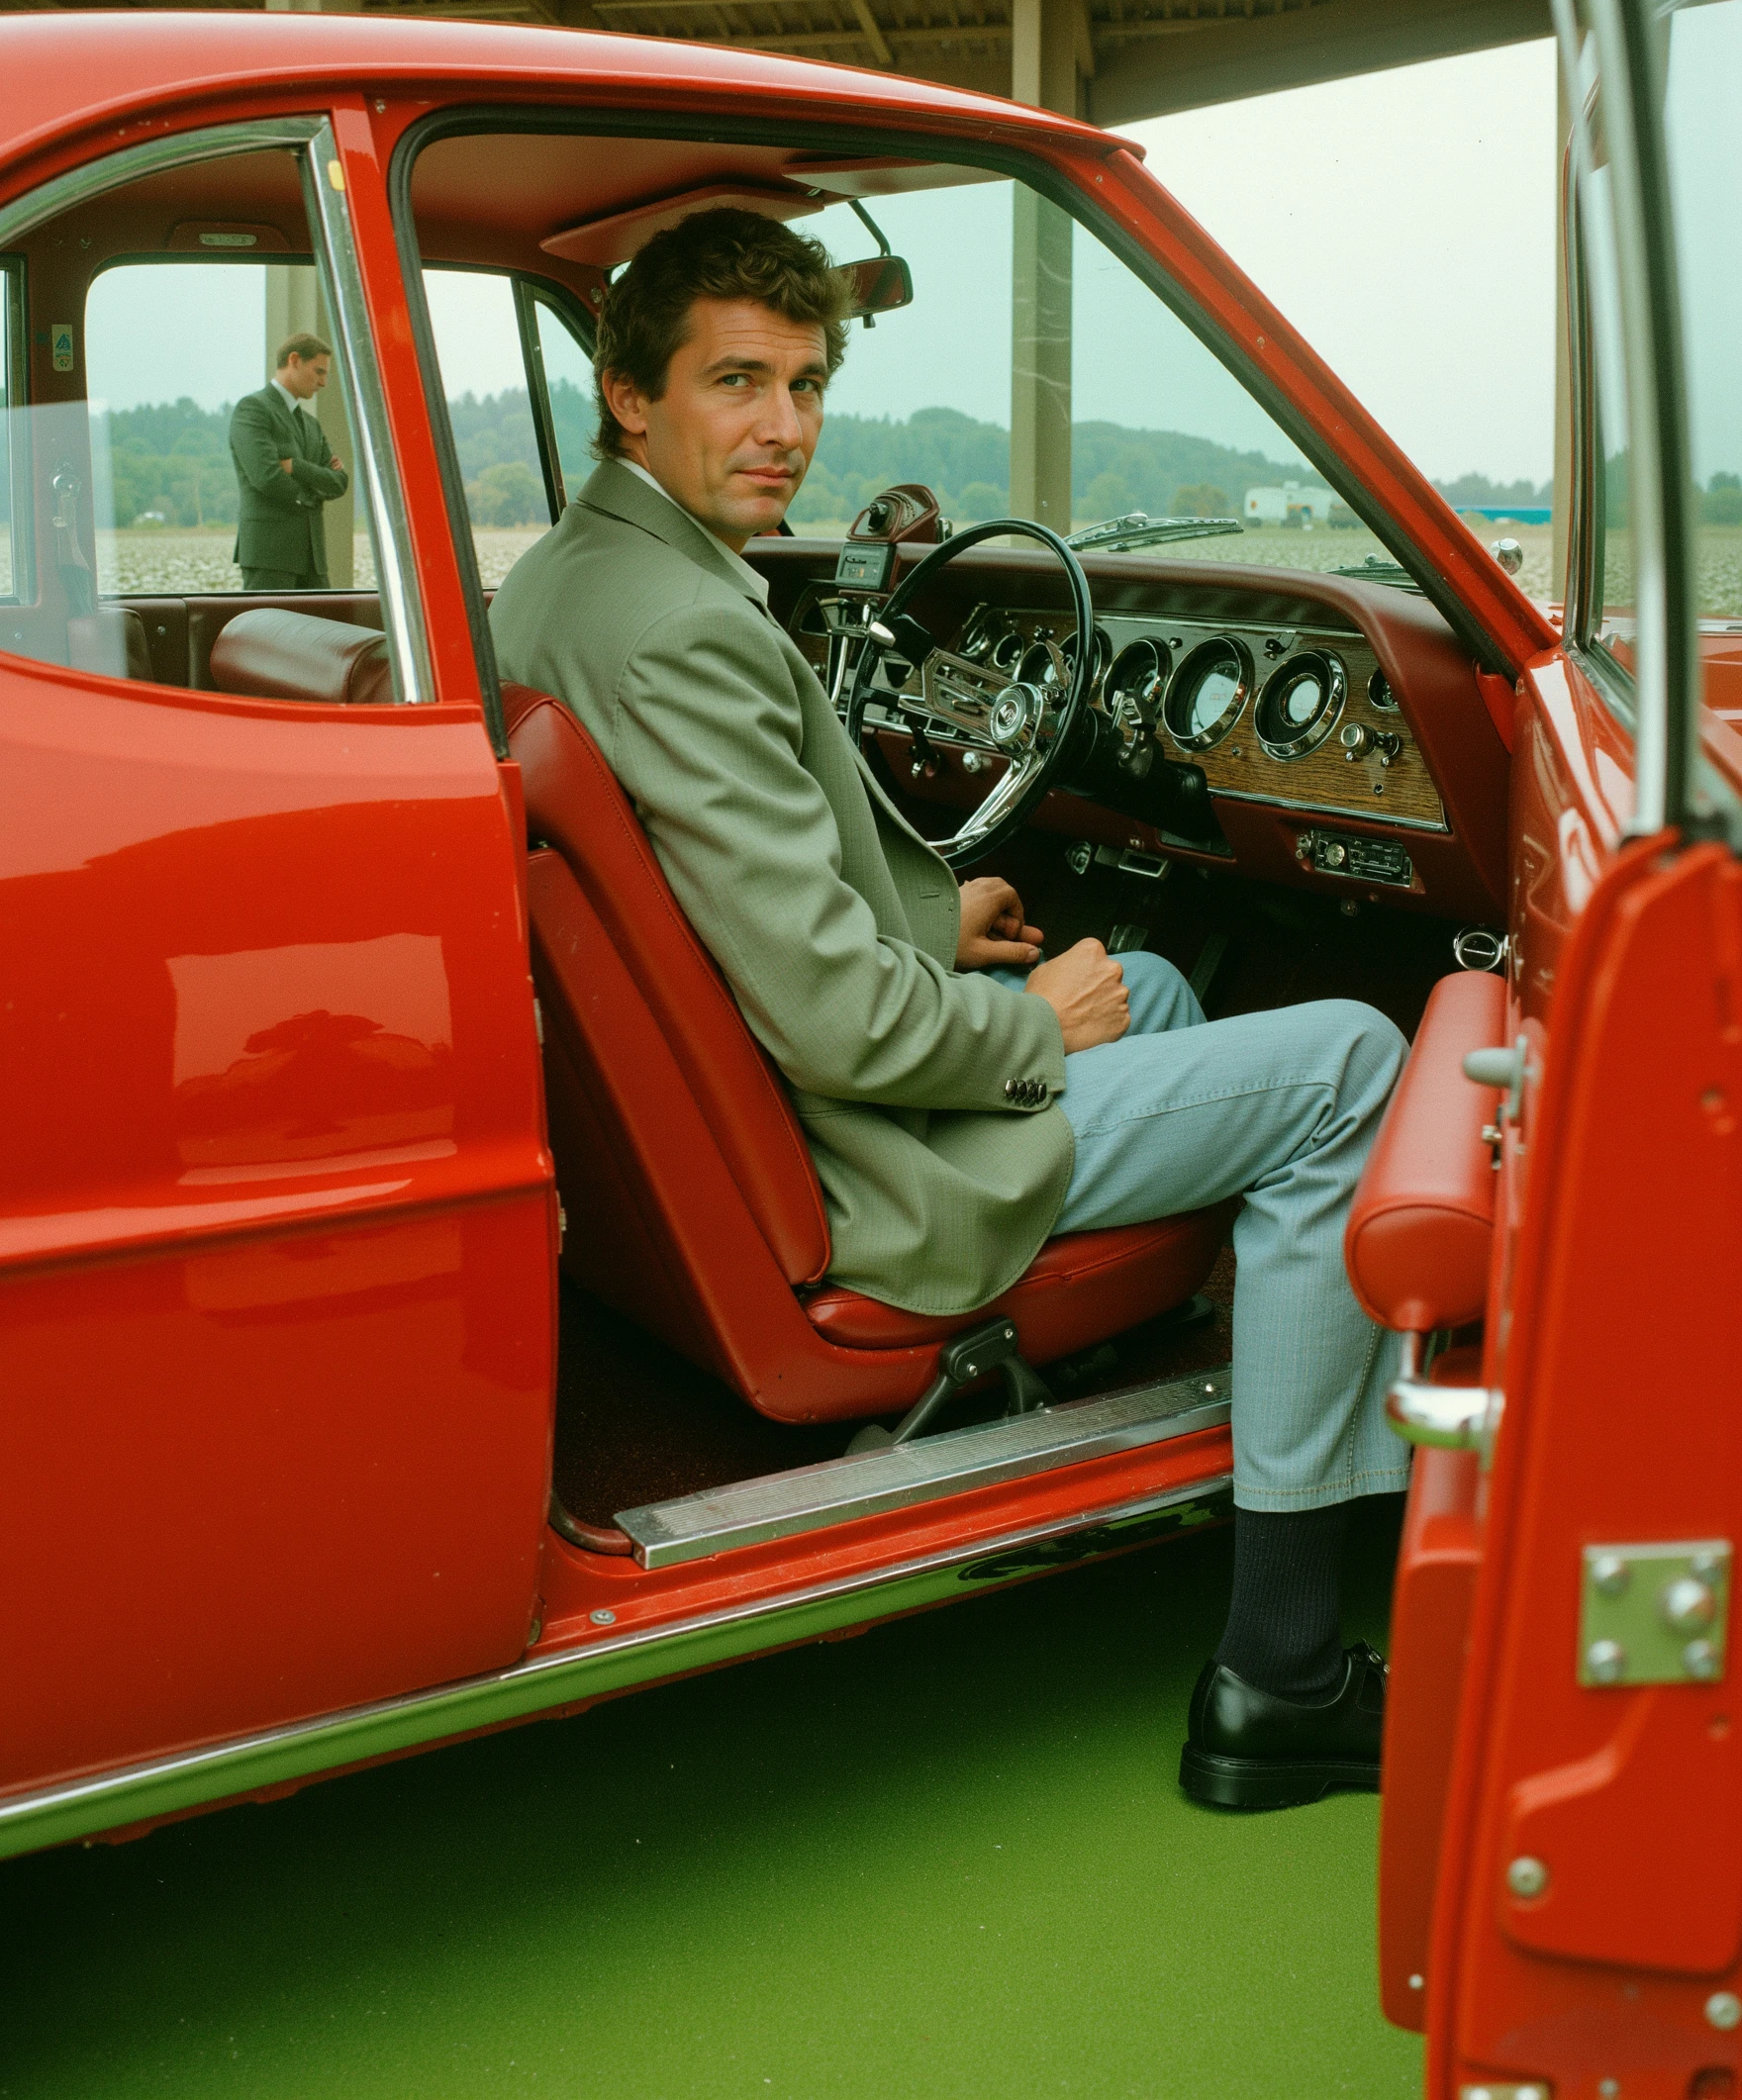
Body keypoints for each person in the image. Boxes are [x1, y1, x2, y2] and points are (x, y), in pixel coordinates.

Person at [489, 208, 1408, 1812]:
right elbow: (842, 1029)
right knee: (1351, 1058)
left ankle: (1210, 1382)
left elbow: (751, 903)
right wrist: (1032, 1020)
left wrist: (937, 914)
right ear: (631, 397)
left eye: (805, 384)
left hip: (774, 1102)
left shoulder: (567, 582)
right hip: (867, 1152)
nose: (784, 429)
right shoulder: (688, 623)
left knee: (1171, 979)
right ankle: (1286, 1666)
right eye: (735, 382)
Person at [229, 334, 348, 591]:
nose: (324, 382)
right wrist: (314, 489)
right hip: (269, 556)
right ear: (294, 360)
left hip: (313, 561)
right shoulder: (253, 409)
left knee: (323, 630)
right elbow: (266, 477)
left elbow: (339, 483)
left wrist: (297, 466)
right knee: (264, 632)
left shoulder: (312, 425)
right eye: (318, 371)